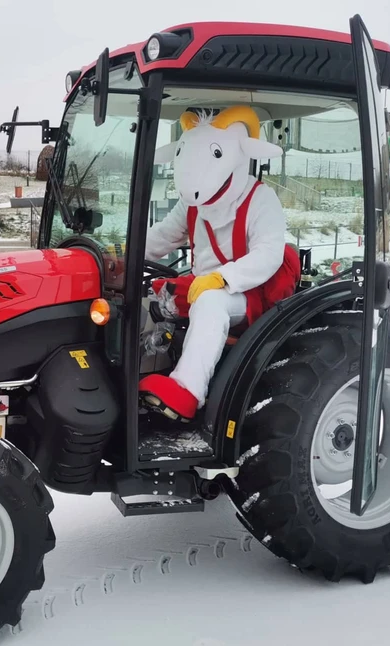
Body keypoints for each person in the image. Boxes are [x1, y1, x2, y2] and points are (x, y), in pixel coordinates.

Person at [138, 106, 301, 421]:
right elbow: (162, 237)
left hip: (248, 293)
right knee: (152, 299)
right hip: (204, 285)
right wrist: (121, 256)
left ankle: (186, 392)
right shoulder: (194, 202)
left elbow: (269, 253)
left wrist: (223, 279)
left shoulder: (259, 199)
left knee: (211, 303)